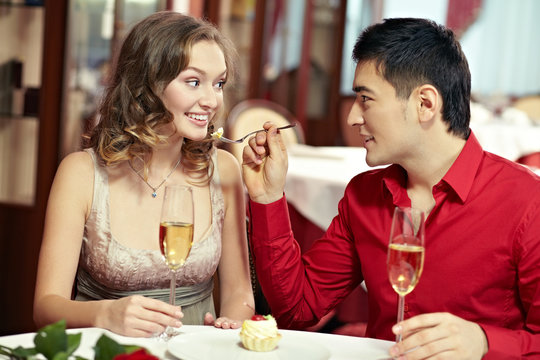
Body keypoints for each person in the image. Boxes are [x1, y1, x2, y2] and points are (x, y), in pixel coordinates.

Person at [242, 18, 540, 359]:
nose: (353, 117)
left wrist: (485, 343)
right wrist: (267, 198)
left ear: (425, 104)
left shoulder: (527, 202)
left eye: (365, 99)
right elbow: (298, 309)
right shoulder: (364, 196)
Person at [34, 11, 254, 337]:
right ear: (147, 83)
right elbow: (45, 308)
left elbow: (239, 294)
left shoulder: (224, 170)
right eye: (193, 82)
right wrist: (105, 313)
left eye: (218, 83)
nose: (211, 100)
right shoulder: (81, 174)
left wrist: (226, 328)